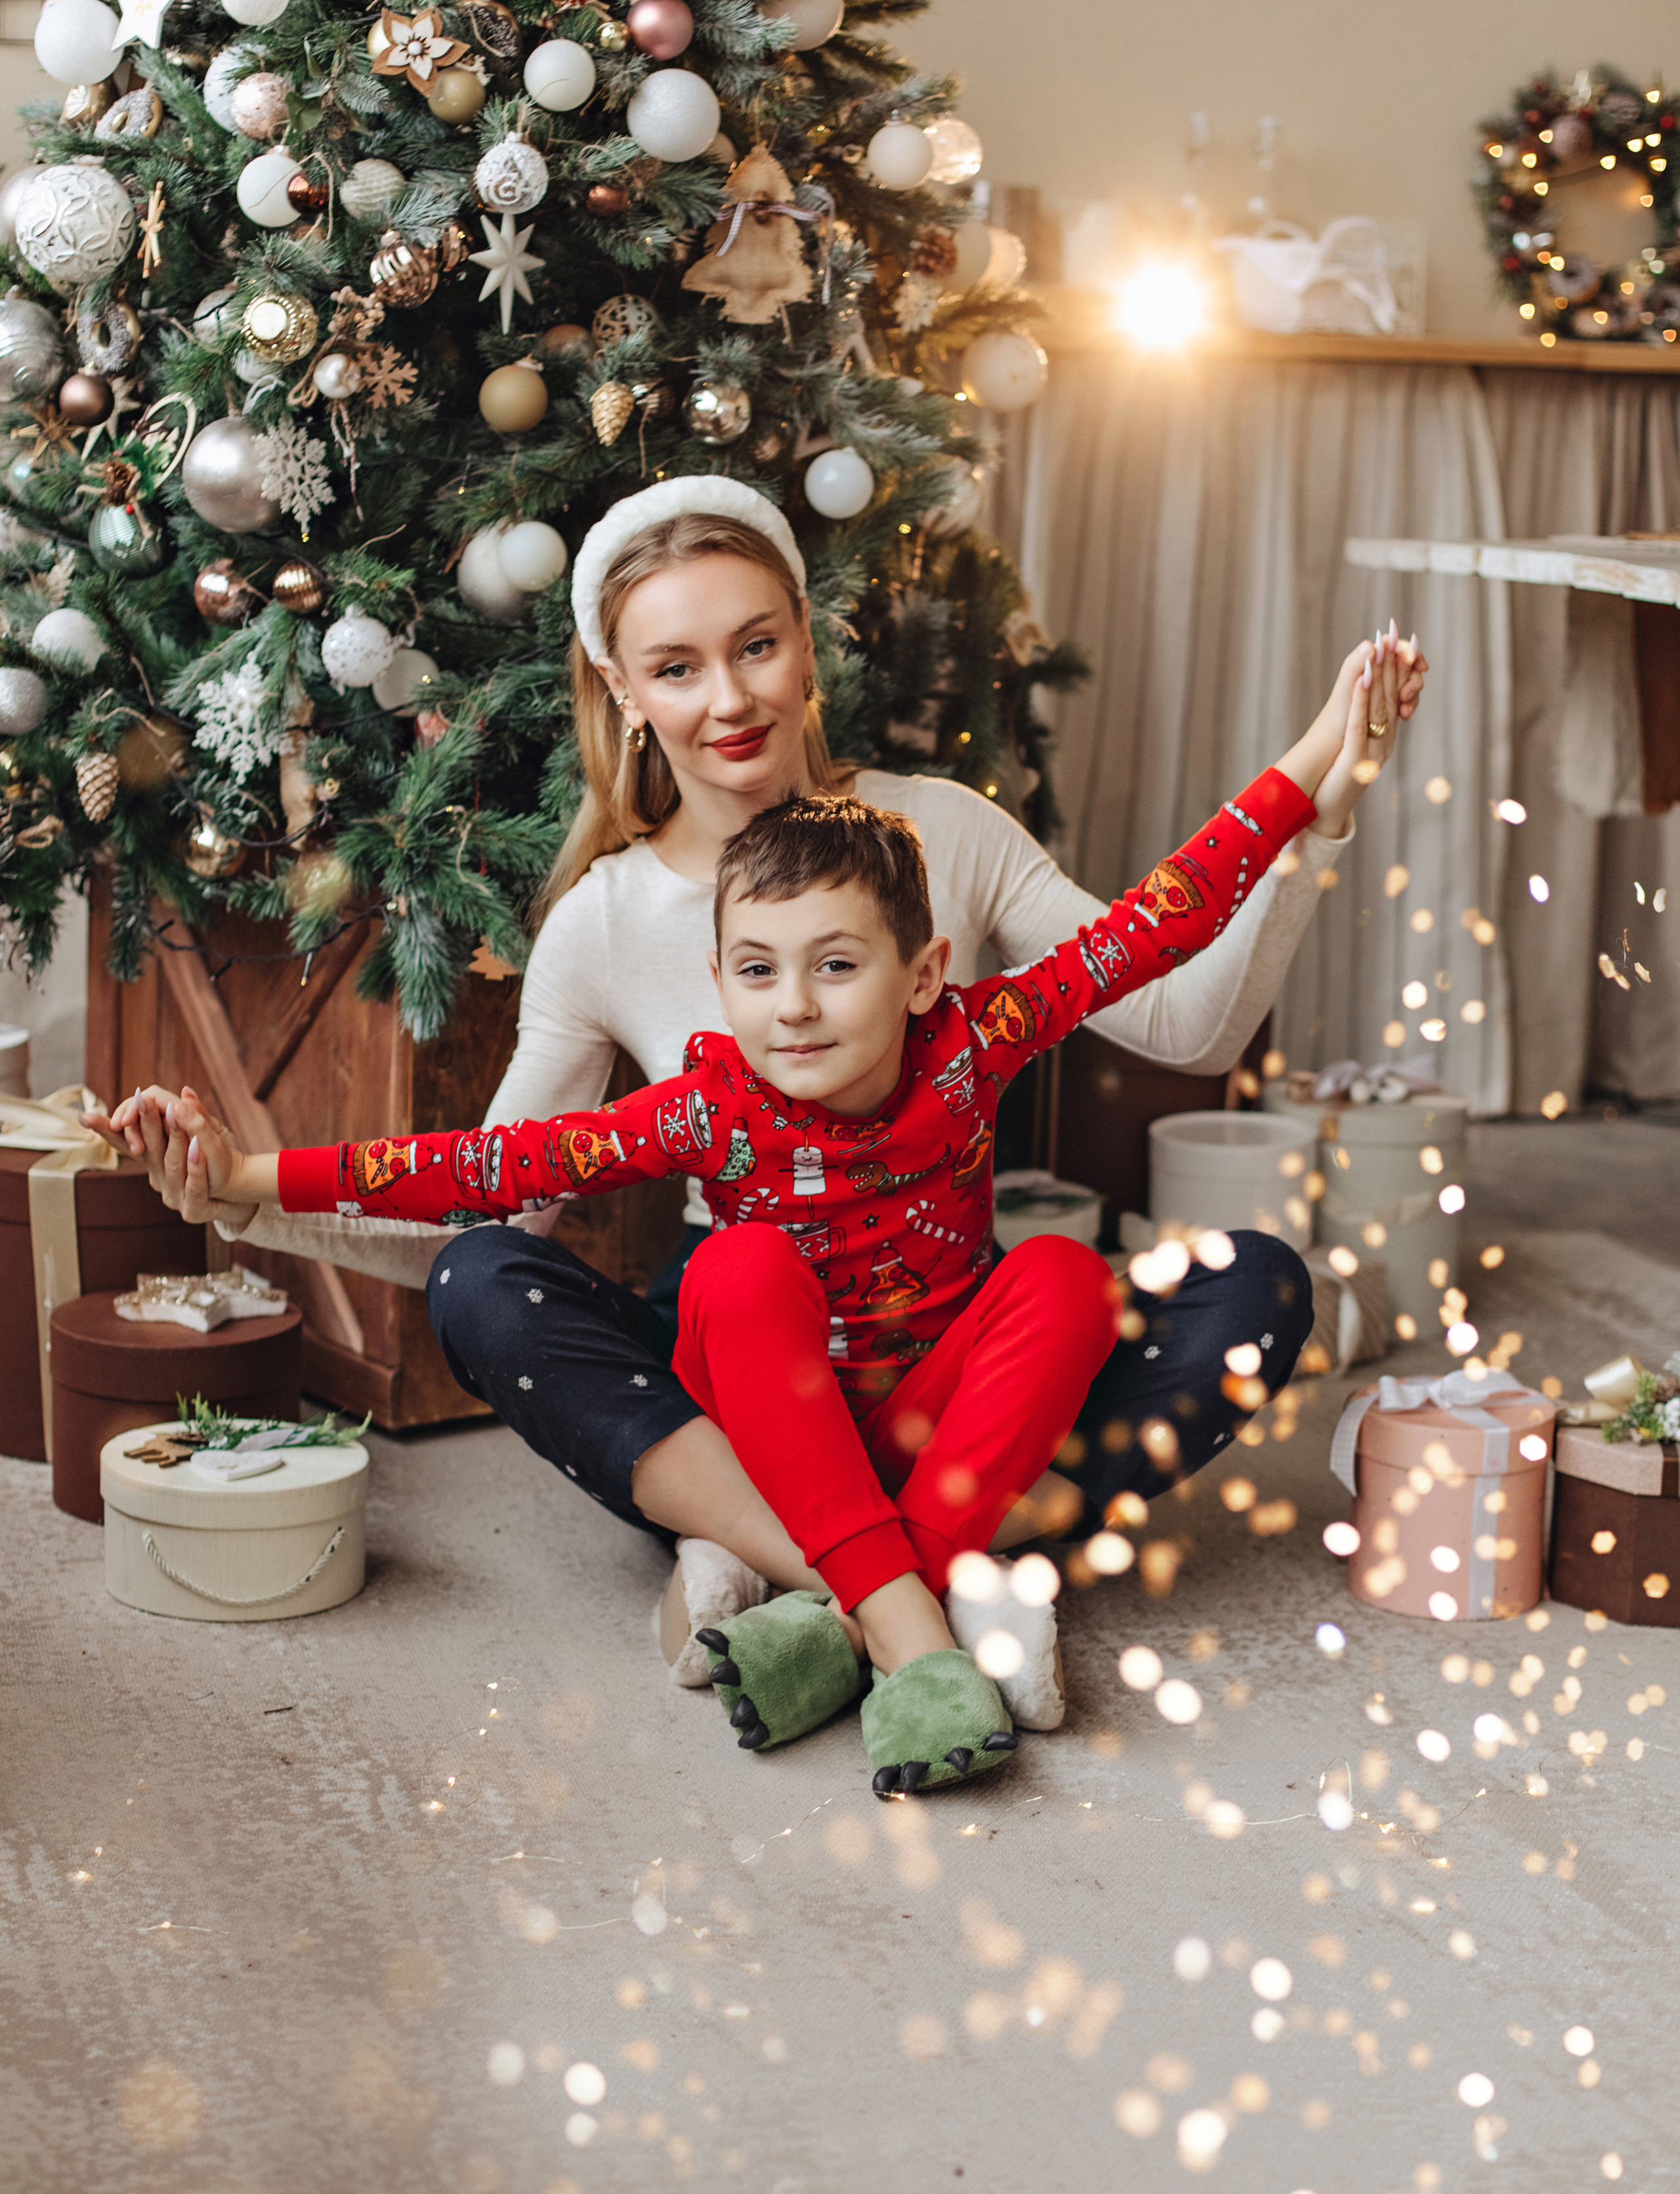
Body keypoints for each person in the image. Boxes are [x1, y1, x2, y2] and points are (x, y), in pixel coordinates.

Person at [108, 477, 1425, 1692]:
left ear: (806, 642)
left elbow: (1180, 1008)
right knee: (489, 1285)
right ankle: (901, 1584)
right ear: (622, 689)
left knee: (1253, 1289)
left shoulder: (939, 837)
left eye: (754, 646)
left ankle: (785, 1565)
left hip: (948, 1357)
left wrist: (1324, 797)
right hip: (749, 1367)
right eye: (675, 667)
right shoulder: (609, 926)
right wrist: (240, 1193)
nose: (727, 699)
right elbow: (491, 1191)